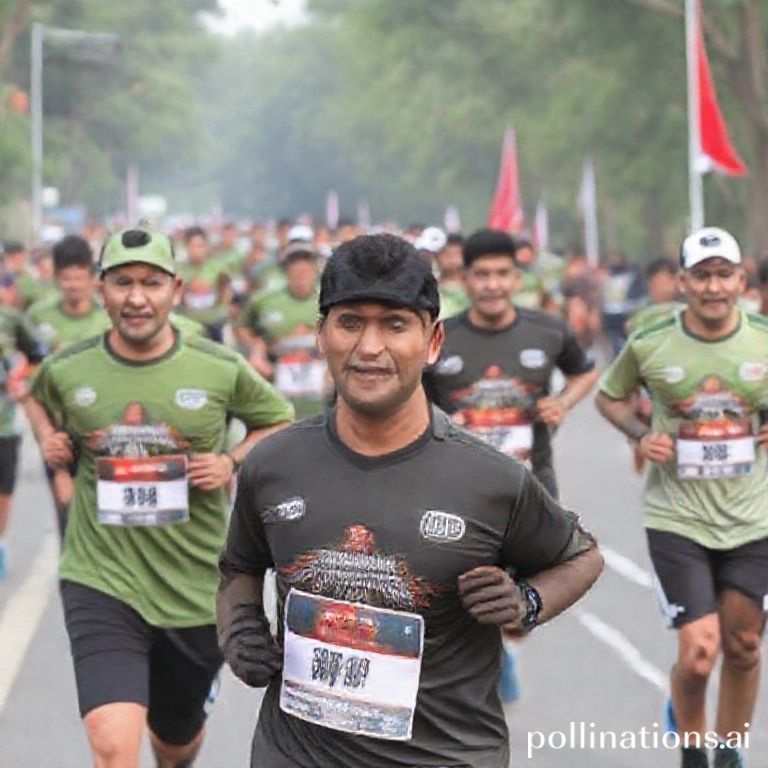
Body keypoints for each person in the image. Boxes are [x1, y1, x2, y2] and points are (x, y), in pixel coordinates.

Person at [217, 233, 603, 768]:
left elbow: (582, 556)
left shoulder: (491, 479)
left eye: (395, 324)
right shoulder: (273, 465)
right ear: (321, 334)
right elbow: (239, 568)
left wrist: (526, 602)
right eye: (350, 322)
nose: (369, 347)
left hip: (445, 755)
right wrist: (240, 630)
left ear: (433, 341)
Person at [28, 227, 293, 768]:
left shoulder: (217, 367)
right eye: (122, 282)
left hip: (193, 583)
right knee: (111, 741)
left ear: (175, 290)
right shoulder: (69, 367)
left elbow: (277, 419)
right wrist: (51, 441)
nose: (136, 297)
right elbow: (38, 400)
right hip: (100, 574)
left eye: (151, 282)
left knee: (175, 742)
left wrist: (228, 461)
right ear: (102, 291)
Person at [596, 227, 767, 768]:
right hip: (677, 517)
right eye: (701, 276)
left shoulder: (764, 339)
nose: (713, 287)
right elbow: (609, 397)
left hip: (752, 518)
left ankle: (729, 749)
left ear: (741, 280)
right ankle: (693, 749)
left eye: (723, 275)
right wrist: (640, 436)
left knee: (742, 645)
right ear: (681, 283)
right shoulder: (651, 342)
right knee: (698, 655)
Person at [424, 228, 599, 500]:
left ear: (517, 279)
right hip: (456, 488)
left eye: (502, 273)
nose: (493, 285)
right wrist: (438, 423)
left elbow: (585, 373)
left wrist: (562, 403)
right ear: (464, 279)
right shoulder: (438, 338)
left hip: (533, 487)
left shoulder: (549, 331)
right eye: (482, 274)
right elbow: (410, 399)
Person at [236, 241, 326, 417]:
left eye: (307, 262)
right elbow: (242, 327)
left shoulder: (330, 300)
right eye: (294, 263)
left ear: (315, 268)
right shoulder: (264, 300)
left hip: (321, 386)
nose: (301, 268)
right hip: (276, 381)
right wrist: (256, 351)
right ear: (285, 269)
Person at [0, 272, 47, 578]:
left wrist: (19, 380)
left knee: (3, 490)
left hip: (4, 423)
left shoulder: (11, 319)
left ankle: (0, 543)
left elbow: (38, 354)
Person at [26, 235, 111, 352]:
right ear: (55, 278)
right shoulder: (37, 316)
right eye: (66, 278)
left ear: (92, 279)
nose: (73, 286)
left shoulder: (108, 319)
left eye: (79, 278)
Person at [178, 226, 231, 342]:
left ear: (206, 246)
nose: (197, 250)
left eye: (201, 246)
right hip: (189, 324)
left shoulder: (218, 268)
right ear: (186, 247)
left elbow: (226, 292)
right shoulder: (179, 270)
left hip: (214, 324)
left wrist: (221, 311)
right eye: (193, 246)